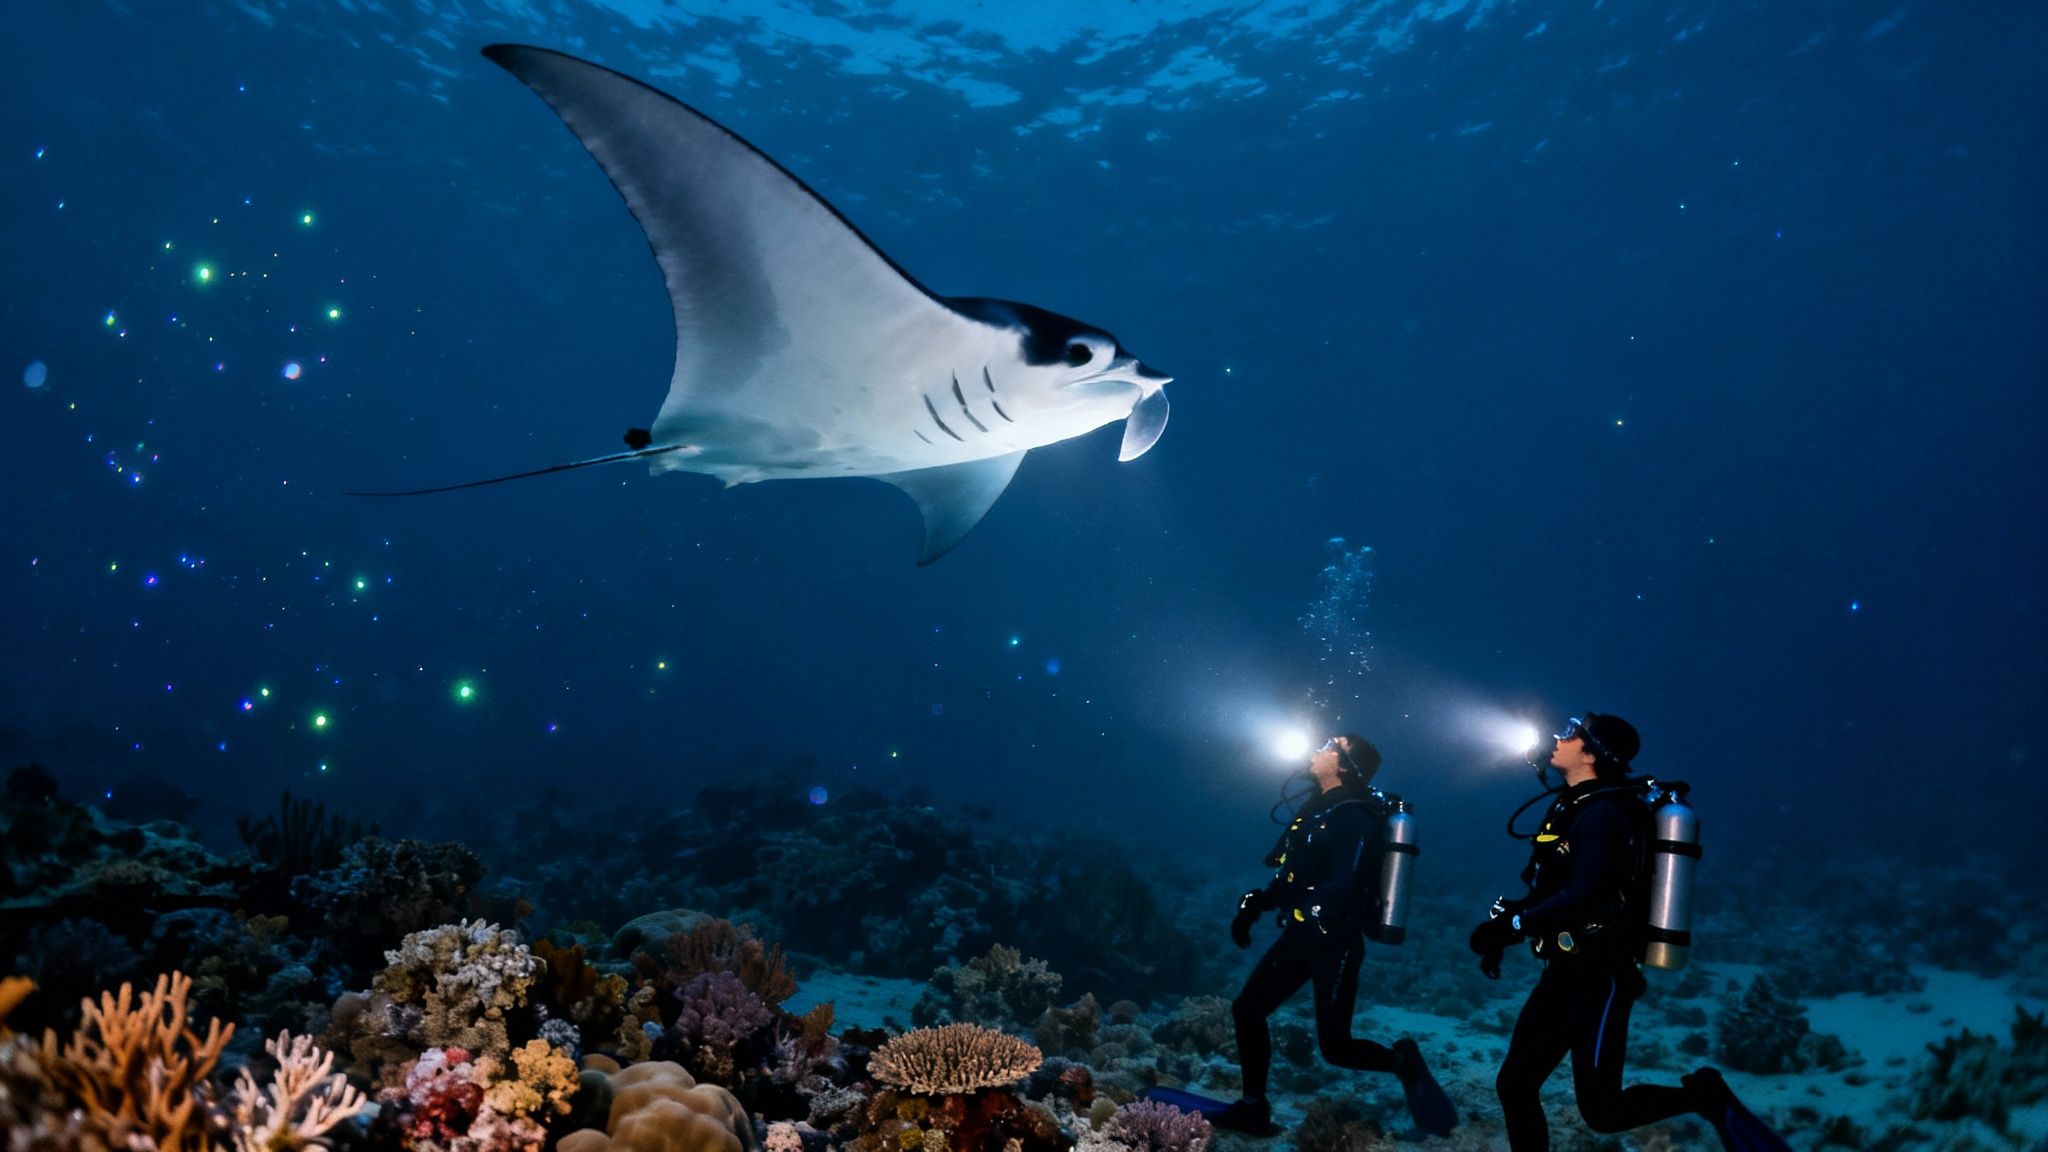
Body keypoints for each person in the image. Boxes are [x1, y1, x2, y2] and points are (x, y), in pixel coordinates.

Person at [1468, 713, 1788, 1152]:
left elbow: (1585, 893)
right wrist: (1504, 929)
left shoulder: (1603, 812)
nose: (1558, 738)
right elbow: (1551, 889)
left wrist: (1517, 926)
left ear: (1592, 752)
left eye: (1570, 733)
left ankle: (1705, 1097)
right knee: (1516, 1084)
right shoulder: (1571, 806)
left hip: (1599, 973)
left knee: (1602, 1111)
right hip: (1563, 970)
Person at [1209, 734, 1455, 1137]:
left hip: (1335, 940)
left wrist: (1316, 907)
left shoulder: (1352, 816)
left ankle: (1403, 1061)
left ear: (1344, 764)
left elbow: (1345, 880)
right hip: (1301, 935)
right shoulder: (1314, 811)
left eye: (1329, 744)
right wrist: (1256, 904)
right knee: (1247, 1010)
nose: (1317, 747)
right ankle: (1253, 1107)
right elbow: (1296, 876)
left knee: (1336, 1048)